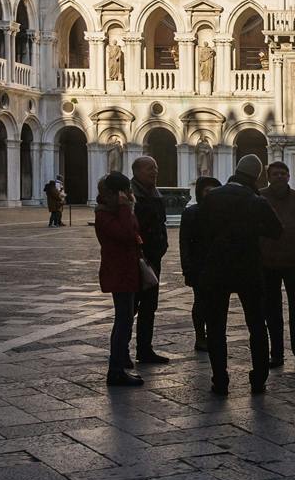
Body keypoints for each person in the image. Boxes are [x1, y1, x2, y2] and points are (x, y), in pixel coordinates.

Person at [194, 154, 282, 396]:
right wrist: (253, 229)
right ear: (256, 176)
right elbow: (276, 231)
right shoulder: (256, 200)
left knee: (215, 327)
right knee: (256, 325)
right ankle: (258, 379)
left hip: (216, 270)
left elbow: (200, 232)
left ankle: (220, 379)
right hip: (249, 269)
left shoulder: (212, 198)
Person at [259, 161, 295, 370]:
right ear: (268, 176)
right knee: (271, 311)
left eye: (283, 173)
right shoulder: (260, 198)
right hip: (267, 264)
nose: (280, 177)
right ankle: (276, 354)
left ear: (289, 176)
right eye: (276, 174)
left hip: (294, 263)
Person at [93, 173, 143, 387]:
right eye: (125, 191)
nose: (129, 195)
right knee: (122, 320)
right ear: (114, 194)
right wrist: (125, 208)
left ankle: (121, 360)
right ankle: (115, 370)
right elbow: (125, 234)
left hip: (128, 270)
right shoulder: (104, 215)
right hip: (118, 272)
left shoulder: (117, 211)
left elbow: (134, 230)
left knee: (126, 318)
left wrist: (127, 209)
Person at [128, 156, 170, 365]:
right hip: (137, 260)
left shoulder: (154, 193)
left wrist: (162, 246)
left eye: (155, 167)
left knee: (149, 306)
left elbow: (160, 223)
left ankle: (145, 349)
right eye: (149, 168)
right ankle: (122, 351)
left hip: (153, 258)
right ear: (136, 171)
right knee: (131, 306)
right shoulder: (130, 196)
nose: (154, 171)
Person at [180, 177, 219, 351]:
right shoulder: (191, 212)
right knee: (200, 302)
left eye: (214, 191)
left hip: (218, 266)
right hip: (198, 265)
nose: (210, 195)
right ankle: (200, 336)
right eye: (207, 191)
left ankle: (214, 333)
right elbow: (184, 242)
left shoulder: (221, 213)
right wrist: (186, 267)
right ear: (200, 193)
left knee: (216, 303)